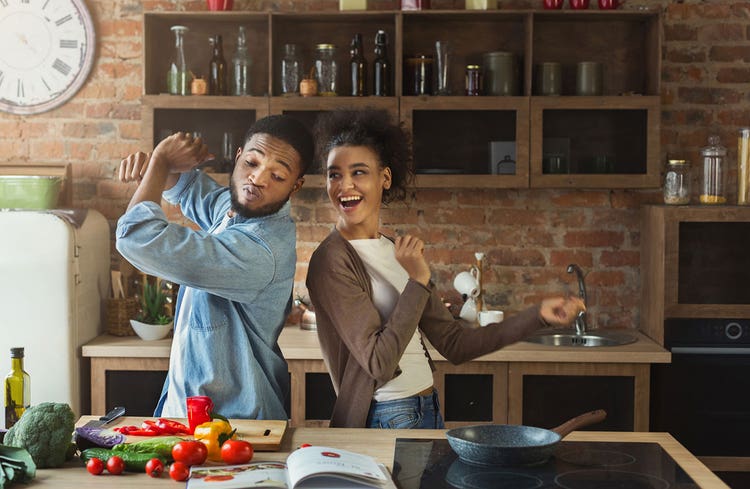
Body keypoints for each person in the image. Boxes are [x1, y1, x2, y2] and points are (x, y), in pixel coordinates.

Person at [306, 110, 585, 429]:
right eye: (334, 174)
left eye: (359, 172)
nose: (345, 185)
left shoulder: (393, 248)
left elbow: (454, 344)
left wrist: (537, 316)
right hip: (386, 415)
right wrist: (417, 280)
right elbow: (379, 363)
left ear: (384, 177)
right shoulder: (331, 260)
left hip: (426, 407)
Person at [116, 115, 314, 420]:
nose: (258, 179)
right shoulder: (238, 210)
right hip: (191, 415)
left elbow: (136, 237)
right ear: (237, 157)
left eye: (277, 176)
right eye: (252, 162)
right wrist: (159, 168)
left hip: (235, 425)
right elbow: (189, 189)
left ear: (295, 186)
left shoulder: (259, 251)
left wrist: (158, 162)